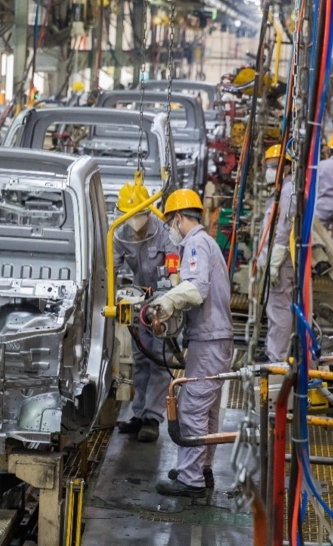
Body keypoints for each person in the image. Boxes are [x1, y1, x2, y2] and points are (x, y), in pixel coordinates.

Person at [152, 188, 234, 498]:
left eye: (169, 223)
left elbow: (196, 289)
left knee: (192, 409)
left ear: (176, 219)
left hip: (210, 340)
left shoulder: (196, 244)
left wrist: (165, 304)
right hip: (215, 338)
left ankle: (190, 479)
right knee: (207, 410)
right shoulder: (208, 242)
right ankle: (201, 468)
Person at [113, 183, 177, 443]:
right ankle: (139, 413)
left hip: (163, 303)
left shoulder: (162, 231)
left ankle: (152, 417)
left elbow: (174, 261)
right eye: (130, 215)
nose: (135, 221)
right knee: (140, 359)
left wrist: (172, 292)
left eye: (139, 214)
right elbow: (113, 266)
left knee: (159, 360)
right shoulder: (118, 233)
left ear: (148, 211)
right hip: (139, 301)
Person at [256, 144, 296, 363]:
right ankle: (274, 351)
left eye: (274, 166)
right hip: (274, 257)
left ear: (287, 167)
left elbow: (286, 226)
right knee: (273, 306)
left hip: (281, 260)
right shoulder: (281, 190)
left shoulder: (289, 191)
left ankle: (277, 358)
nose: (270, 170)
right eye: (269, 166)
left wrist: (275, 259)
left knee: (279, 307)